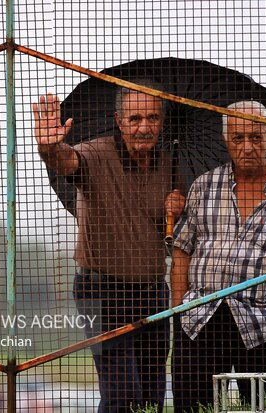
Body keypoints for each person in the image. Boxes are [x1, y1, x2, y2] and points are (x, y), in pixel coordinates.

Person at [33, 80, 185, 413]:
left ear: (161, 121)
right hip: (100, 289)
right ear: (119, 121)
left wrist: (174, 210)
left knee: (152, 394)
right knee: (121, 396)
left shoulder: (169, 162)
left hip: (152, 291)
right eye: (134, 119)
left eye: (151, 118)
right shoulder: (95, 153)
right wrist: (49, 148)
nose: (144, 127)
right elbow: (67, 160)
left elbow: (167, 233)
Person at [170, 101, 266, 412]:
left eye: (256, 137)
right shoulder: (203, 187)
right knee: (193, 407)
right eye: (238, 138)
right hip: (200, 318)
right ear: (227, 141)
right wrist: (178, 308)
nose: (248, 147)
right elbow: (181, 249)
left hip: (265, 322)